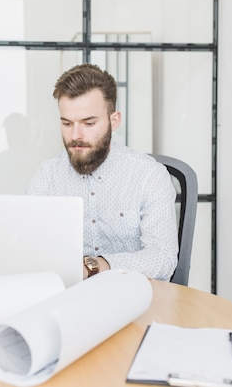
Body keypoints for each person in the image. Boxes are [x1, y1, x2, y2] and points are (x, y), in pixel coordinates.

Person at [26, 63, 178, 281]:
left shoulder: (149, 175)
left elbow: (163, 258)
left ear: (113, 121)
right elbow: (28, 247)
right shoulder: (46, 175)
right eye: (67, 123)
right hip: (66, 300)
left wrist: (96, 266)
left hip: (134, 298)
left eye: (88, 123)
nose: (75, 135)